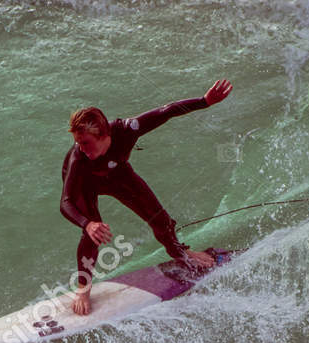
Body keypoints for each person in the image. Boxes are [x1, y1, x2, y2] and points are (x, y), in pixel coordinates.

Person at [60, 79, 233, 315]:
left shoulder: (126, 129)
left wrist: (204, 101)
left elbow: (166, 111)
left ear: (103, 134)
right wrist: (87, 224)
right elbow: (66, 202)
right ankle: (83, 288)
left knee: (161, 220)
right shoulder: (78, 160)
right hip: (85, 185)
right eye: (77, 142)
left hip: (118, 174)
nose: (81, 148)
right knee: (92, 235)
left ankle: (182, 253)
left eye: (85, 143)